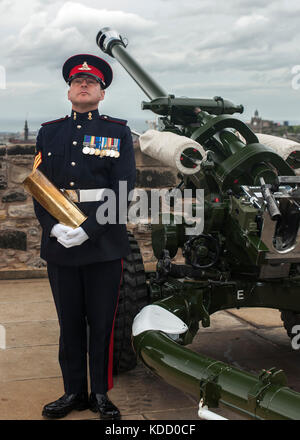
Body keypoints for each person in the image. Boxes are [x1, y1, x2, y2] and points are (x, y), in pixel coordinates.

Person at [32, 54, 136, 420]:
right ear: (69, 90)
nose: (84, 84)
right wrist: (53, 227)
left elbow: (123, 190)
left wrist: (89, 230)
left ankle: (100, 393)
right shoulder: (49, 132)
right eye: (78, 81)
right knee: (69, 321)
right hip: (60, 243)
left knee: (103, 322)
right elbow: (40, 186)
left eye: (92, 82)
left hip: (104, 244)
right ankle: (72, 391)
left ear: (101, 94)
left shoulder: (117, 131)